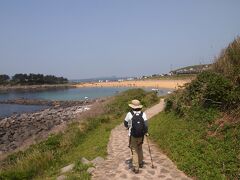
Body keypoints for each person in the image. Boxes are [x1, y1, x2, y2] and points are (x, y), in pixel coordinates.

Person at [124, 99, 148, 173]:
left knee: (134, 150)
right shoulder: (143, 114)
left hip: (132, 135)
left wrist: (129, 126)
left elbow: (125, 123)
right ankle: (140, 163)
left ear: (132, 107)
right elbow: (146, 125)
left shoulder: (129, 114)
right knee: (140, 148)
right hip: (141, 135)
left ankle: (136, 167)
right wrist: (146, 132)